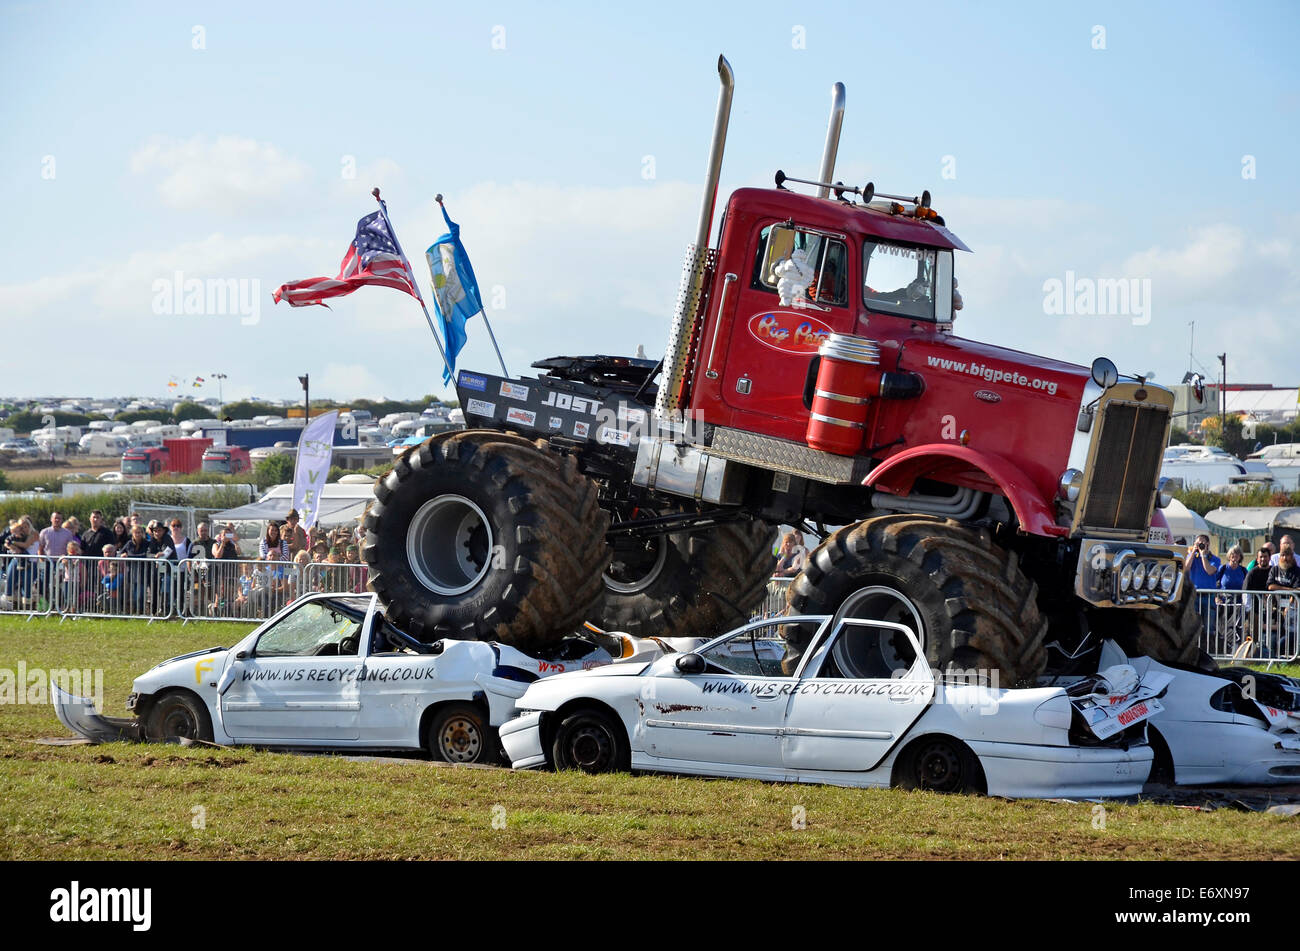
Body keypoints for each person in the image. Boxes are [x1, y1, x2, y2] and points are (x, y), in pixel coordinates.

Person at [1184, 534, 1220, 622]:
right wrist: (1193, 552)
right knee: (1193, 623)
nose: (1200, 545)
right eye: (1197, 543)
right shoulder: (1192, 557)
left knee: (1209, 625)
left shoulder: (1214, 559)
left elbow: (1209, 571)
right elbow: (1186, 569)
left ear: (1208, 544)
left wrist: (1203, 555)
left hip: (1209, 596)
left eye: (1202, 543)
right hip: (1194, 595)